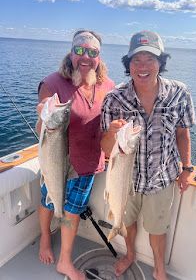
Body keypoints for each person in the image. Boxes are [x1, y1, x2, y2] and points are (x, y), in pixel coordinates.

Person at [100, 30, 196, 280]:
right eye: (136, 60)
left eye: (150, 59)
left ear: (161, 63)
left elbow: (183, 134)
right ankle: (130, 254)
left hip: (162, 179)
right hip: (126, 181)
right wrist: (111, 133)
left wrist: (186, 169)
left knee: (157, 229)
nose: (142, 67)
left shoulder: (180, 93)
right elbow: (106, 148)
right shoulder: (114, 99)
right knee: (126, 222)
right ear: (128, 64)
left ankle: (159, 269)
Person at [36, 29, 115, 280]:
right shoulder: (53, 83)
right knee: (48, 201)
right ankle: (45, 239)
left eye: (92, 52)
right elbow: (42, 129)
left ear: (99, 57)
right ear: (71, 53)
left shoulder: (108, 85)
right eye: (79, 49)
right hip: (57, 160)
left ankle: (64, 261)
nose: (85, 56)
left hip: (89, 163)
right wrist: (42, 114)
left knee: (72, 211)